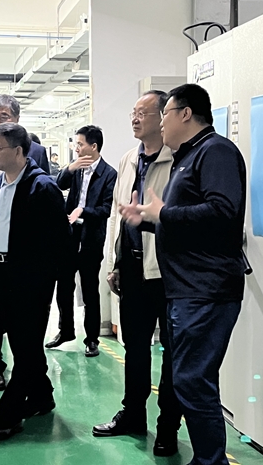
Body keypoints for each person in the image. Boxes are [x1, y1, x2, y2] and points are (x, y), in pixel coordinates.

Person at [120, 84, 246, 465]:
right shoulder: (188, 157)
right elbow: (185, 224)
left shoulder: (216, 152)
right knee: (190, 379)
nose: (161, 123)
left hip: (206, 290)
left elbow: (223, 212)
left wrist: (164, 214)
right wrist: (148, 220)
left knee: (193, 380)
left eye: (166, 114)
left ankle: (210, 462)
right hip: (186, 290)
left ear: (186, 113)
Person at [92, 91, 182, 456]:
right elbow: (117, 216)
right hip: (130, 268)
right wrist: (113, 263)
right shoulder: (128, 159)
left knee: (172, 353)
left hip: (167, 272)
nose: (134, 118)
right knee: (135, 348)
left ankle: (168, 426)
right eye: (133, 112)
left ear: (162, 118)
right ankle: (132, 414)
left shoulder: (178, 160)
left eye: (142, 113)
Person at [0, 122, 70, 439]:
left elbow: (61, 240)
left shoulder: (42, 187)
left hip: (31, 280)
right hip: (0, 275)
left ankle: (9, 412)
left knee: (27, 345)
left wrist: (55, 283)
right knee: (22, 344)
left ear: (18, 151)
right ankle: (42, 396)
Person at [0, 94, 50, 391]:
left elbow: (45, 203)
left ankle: (29, 373)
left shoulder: (36, 152)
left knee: (25, 319)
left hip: (24, 254)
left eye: (3, 116)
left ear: (16, 119)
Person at [46, 125, 117, 357]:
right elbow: (58, 184)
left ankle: (92, 339)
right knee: (64, 286)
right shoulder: (76, 169)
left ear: (93, 146)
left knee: (89, 290)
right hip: (69, 236)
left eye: (80, 144)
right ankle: (65, 331)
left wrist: (83, 211)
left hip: (91, 239)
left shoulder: (109, 174)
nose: (76, 149)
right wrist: (70, 168)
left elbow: (106, 209)